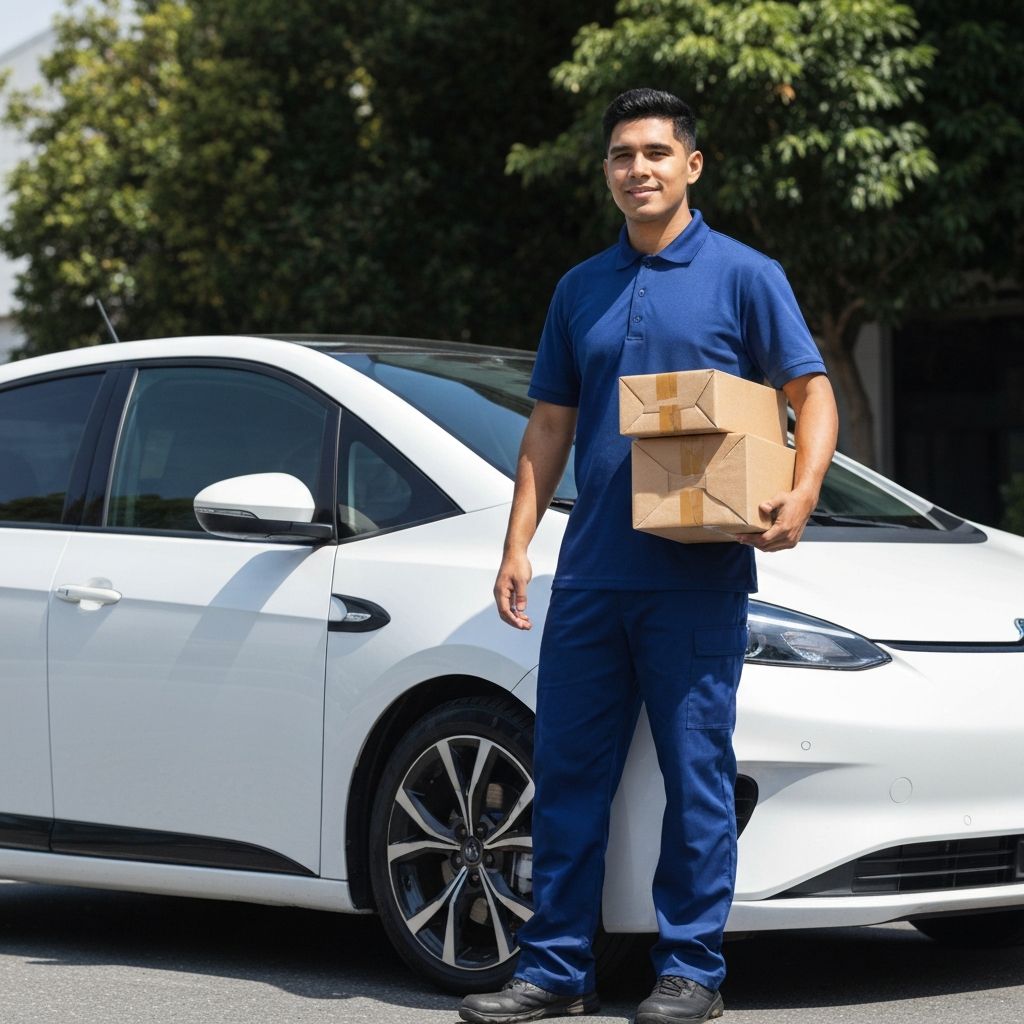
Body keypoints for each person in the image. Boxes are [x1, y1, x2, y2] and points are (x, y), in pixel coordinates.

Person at [459, 88, 839, 1024]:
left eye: (657, 154)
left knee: (695, 777)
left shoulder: (747, 276)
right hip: (589, 574)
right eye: (624, 155)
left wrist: (802, 493)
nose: (640, 169)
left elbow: (812, 391)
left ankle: (692, 971)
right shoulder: (578, 287)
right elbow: (548, 424)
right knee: (569, 778)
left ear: (692, 166)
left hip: (697, 577)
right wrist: (517, 544)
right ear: (608, 173)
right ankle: (552, 970)